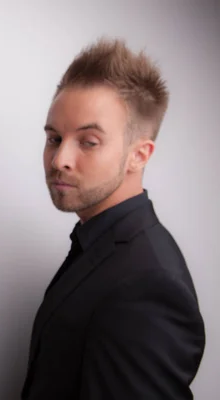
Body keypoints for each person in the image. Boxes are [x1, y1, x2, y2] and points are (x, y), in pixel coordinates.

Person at [22, 38, 205, 399]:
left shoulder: (149, 285)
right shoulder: (100, 242)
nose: (60, 159)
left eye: (88, 142)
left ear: (139, 155)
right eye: (55, 138)